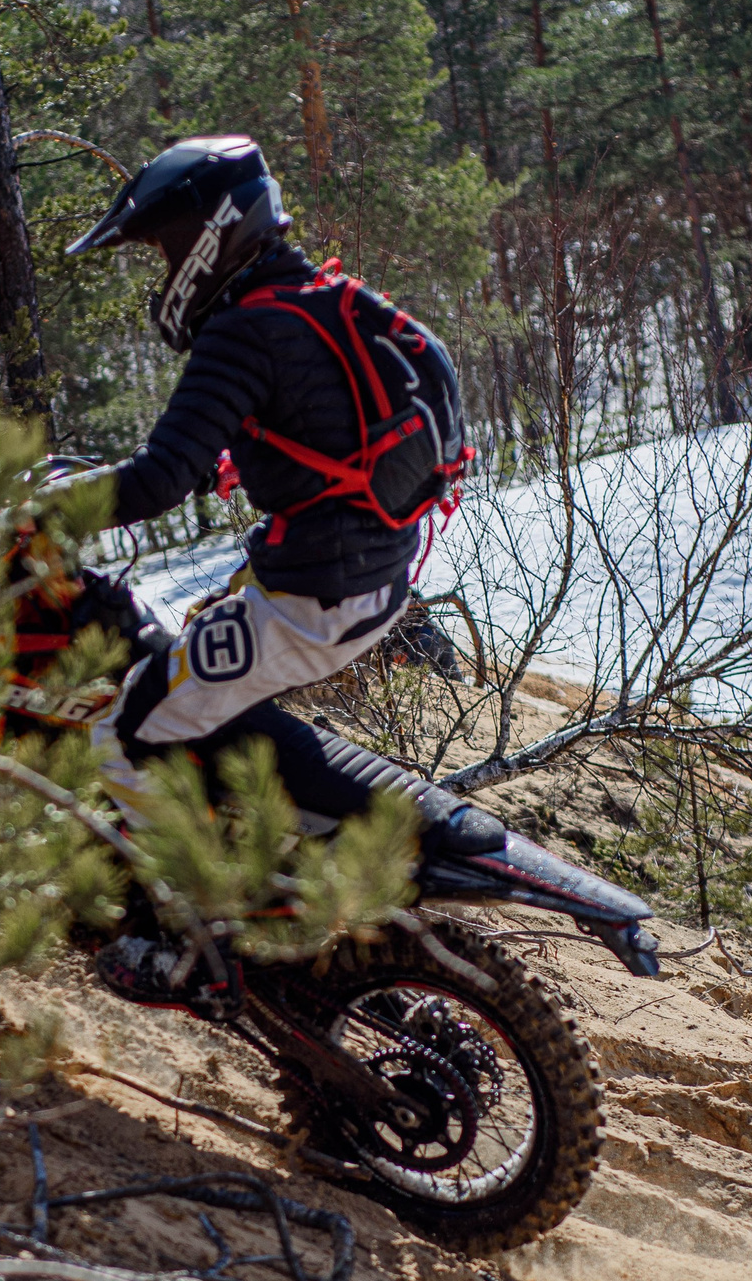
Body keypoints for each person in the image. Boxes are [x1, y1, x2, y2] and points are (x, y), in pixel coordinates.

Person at [57, 135, 502, 1007]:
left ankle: (192, 938)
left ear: (204, 236)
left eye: (161, 250)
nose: (160, 273)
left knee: (121, 729)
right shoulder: (325, 297)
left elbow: (156, 480)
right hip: (380, 587)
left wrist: (31, 510)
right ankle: (273, 858)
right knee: (199, 691)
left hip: (306, 604)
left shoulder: (240, 332)